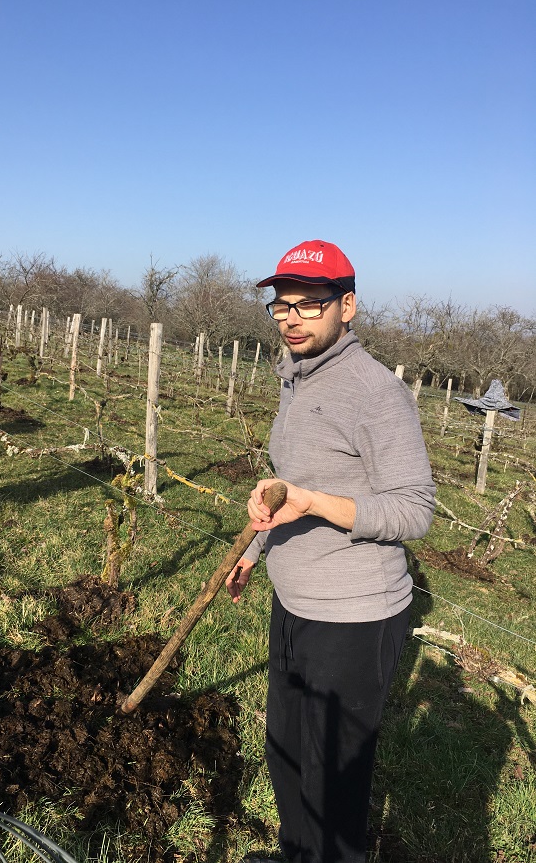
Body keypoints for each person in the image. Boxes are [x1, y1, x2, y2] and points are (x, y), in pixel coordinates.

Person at [226, 240, 435, 863]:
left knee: (332, 782)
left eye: (309, 304)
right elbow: (288, 482)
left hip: (355, 613)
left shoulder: (375, 393)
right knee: (285, 753)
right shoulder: (297, 378)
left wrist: (316, 503)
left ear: (347, 308)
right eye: (281, 305)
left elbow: (413, 510)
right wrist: (257, 547)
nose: (291, 317)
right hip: (295, 601)